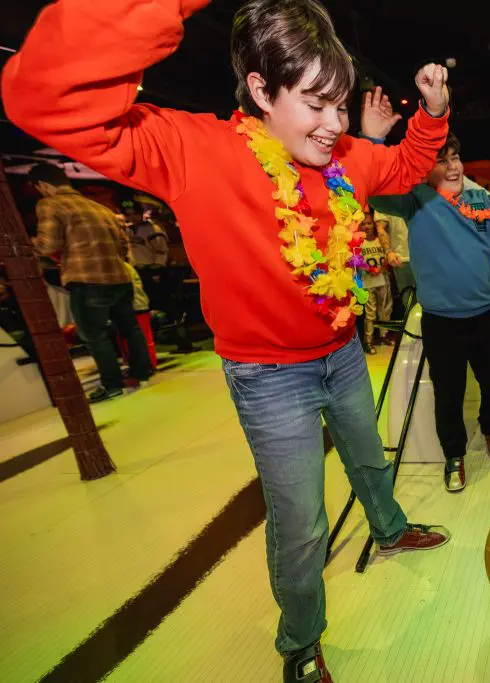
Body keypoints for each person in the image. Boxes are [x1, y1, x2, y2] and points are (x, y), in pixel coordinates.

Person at [3, 1, 454, 680]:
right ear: (260, 91)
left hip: (340, 353)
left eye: (341, 105)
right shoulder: (194, 151)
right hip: (269, 377)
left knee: (368, 453)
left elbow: (406, 166)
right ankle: (301, 642)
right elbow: (43, 97)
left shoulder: (346, 157)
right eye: (315, 104)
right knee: (300, 521)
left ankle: (389, 529)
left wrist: (433, 113)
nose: (336, 125)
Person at [370, 134, 490, 493]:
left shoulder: (479, 196)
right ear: (423, 168)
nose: (453, 167)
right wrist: (373, 141)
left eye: (456, 158)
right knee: (448, 392)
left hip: (485, 314)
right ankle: (454, 454)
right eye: (442, 160)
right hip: (441, 320)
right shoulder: (415, 200)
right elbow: (373, 192)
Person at [27, 163, 152, 403]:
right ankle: (141, 374)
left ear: (42, 185)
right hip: (119, 277)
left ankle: (111, 385)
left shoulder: (50, 204)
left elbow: (48, 245)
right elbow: (123, 246)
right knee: (130, 329)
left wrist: (34, 242)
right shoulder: (99, 208)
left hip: (87, 280)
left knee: (95, 335)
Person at [358, 213, 392, 353]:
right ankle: (368, 341)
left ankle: (384, 335)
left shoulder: (381, 240)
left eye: (369, 223)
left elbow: (388, 256)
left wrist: (384, 267)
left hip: (383, 280)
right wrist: (369, 268)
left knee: (385, 309)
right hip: (368, 282)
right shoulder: (359, 243)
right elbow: (357, 262)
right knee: (370, 314)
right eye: (363, 224)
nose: (366, 226)